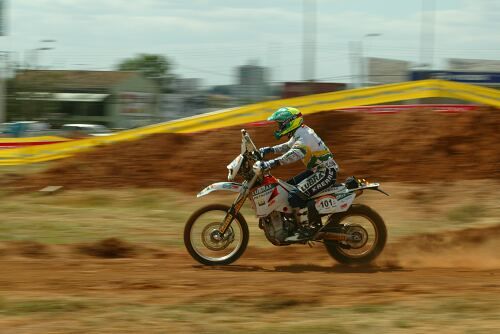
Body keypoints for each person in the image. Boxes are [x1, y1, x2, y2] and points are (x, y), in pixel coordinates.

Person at [259, 107, 339, 241]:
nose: (279, 126)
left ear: (290, 122)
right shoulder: (299, 132)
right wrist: (269, 150)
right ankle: (293, 223)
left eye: (280, 123)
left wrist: (272, 163)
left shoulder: (304, 136)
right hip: (317, 170)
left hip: (326, 172)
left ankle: (305, 229)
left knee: (294, 196)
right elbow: (288, 146)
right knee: (286, 187)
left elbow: (295, 153)